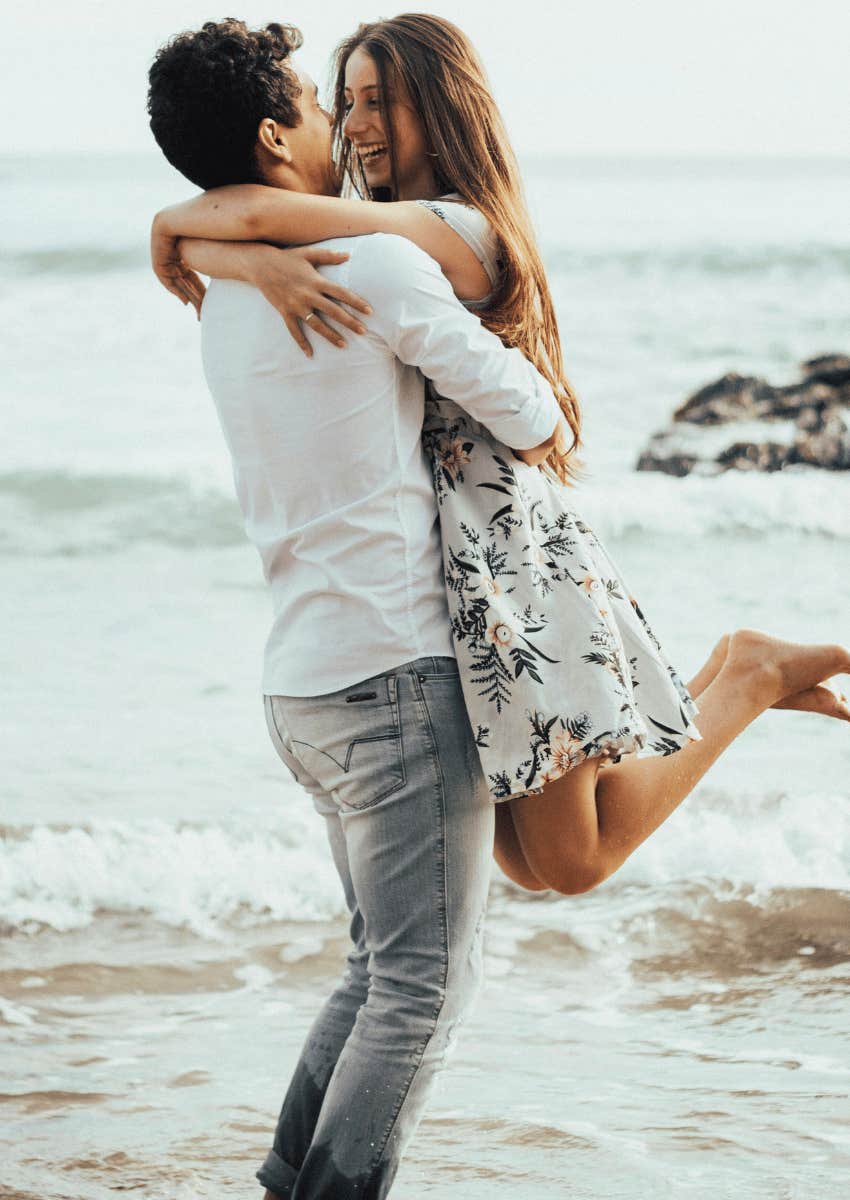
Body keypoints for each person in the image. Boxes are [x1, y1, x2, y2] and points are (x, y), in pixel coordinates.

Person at [151, 13, 850, 904]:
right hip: (459, 570)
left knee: (572, 859)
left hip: (512, 555)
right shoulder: (379, 230)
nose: (356, 122)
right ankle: (730, 669)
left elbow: (252, 208)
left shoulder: (456, 228)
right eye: (346, 101)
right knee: (526, 857)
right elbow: (261, 221)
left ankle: (749, 674)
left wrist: (187, 234)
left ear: (439, 109)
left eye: (380, 102)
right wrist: (234, 259)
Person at [147, 18, 572, 1200]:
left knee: (373, 970)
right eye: (326, 104)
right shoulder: (378, 264)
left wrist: (222, 242)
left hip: (302, 685)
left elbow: (211, 237)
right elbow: (536, 419)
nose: (344, 124)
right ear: (280, 136)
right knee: (424, 986)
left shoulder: (229, 289)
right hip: (394, 677)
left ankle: (288, 1183)